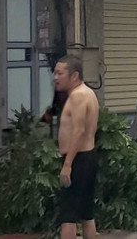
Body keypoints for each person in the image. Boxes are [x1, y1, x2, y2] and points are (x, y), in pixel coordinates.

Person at [54, 55, 100, 239]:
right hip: (87, 157)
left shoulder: (78, 96)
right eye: (55, 73)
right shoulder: (88, 93)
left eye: (60, 73)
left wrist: (67, 164)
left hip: (78, 159)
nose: (56, 77)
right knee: (87, 213)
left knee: (68, 215)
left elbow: (79, 131)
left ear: (74, 76)